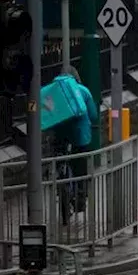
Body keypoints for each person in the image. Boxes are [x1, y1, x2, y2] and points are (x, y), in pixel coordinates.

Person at [49, 66, 98, 225]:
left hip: (60, 134)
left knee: (60, 159)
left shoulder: (54, 92)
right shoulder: (83, 91)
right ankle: (81, 197)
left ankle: (59, 184)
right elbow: (93, 115)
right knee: (80, 168)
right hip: (80, 136)